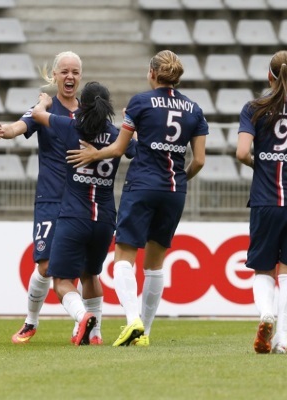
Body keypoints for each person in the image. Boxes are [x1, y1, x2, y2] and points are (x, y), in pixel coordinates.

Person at [66, 50, 207, 347]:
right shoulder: (194, 109)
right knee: (155, 265)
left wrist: (94, 153)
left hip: (142, 186)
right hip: (174, 191)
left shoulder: (140, 103)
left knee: (123, 258)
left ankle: (133, 322)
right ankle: (146, 331)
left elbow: (118, 148)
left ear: (152, 73)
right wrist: (180, 179)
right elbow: (199, 161)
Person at [0, 51, 104, 344]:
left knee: (88, 271)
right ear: (54, 75)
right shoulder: (44, 108)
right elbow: (21, 125)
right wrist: (6, 131)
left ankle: (93, 331)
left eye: (75, 72)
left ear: (80, 76)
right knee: (44, 266)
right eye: (64, 71)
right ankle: (31, 322)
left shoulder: (88, 113)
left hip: (83, 201)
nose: (70, 77)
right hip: (51, 199)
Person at [30, 82, 135, 345]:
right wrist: (131, 123)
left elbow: (37, 115)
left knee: (62, 280)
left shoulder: (71, 127)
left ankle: (82, 316)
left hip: (74, 215)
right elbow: (134, 148)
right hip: (105, 218)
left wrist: (44, 101)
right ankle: (96, 334)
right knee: (91, 274)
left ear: (82, 105)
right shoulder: (115, 135)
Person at [236, 50, 287, 355]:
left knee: (263, 270)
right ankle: (282, 340)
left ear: (269, 75)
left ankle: (265, 315)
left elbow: (243, 153)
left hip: (265, 200)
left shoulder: (253, 108)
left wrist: (264, 163)